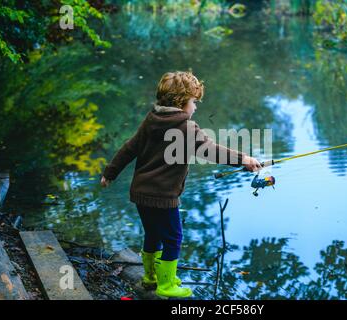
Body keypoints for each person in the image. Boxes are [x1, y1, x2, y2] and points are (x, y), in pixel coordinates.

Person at [101, 71, 261, 298]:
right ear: (181, 102)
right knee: (174, 238)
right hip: (163, 196)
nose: (195, 107)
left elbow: (130, 147)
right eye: (194, 102)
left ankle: (150, 278)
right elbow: (211, 151)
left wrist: (110, 172)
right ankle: (166, 286)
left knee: (153, 234)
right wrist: (243, 159)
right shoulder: (186, 127)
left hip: (140, 193)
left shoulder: (151, 120)